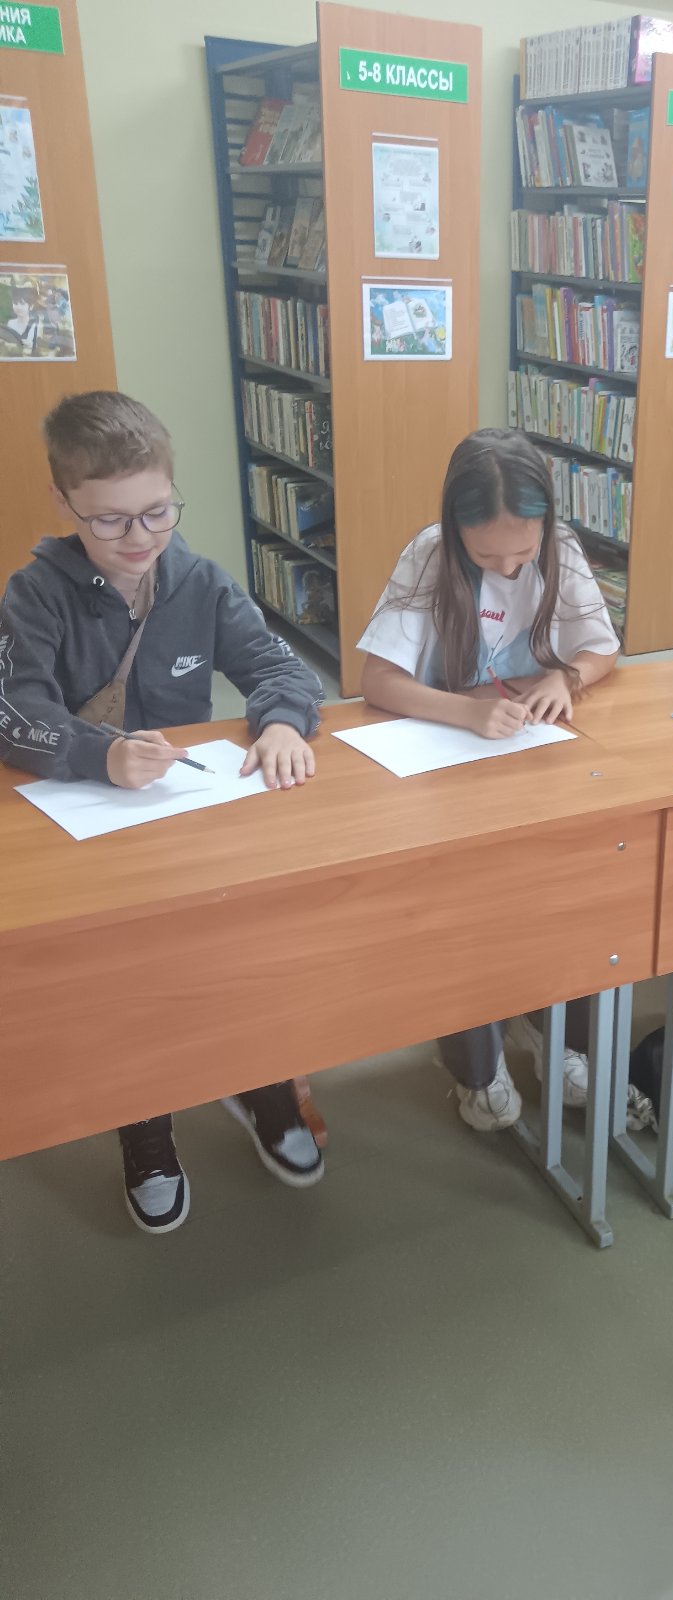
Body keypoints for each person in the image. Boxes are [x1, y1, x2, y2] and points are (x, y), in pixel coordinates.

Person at [0, 391, 327, 1233]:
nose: (139, 537)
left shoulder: (200, 581)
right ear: (64, 503)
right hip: (80, 825)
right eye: (110, 521)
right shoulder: (34, 595)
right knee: (124, 974)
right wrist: (99, 756)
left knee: (237, 942)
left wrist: (283, 721)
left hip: (187, 813)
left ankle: (255, 1074)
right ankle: (144, 1114)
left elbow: (280, 668)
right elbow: (14, 713)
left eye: (157, 512)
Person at [357, 428, 621, 1129]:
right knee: (468, 907)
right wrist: (466, 712)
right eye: (486, 557)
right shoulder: (428, 555)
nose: (507, 567)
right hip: (445, 757)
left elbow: (601, 648)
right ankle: (477, 1064)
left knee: (568, 883)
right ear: (455, 531)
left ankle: (548, 1023)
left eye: (522, 554)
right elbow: (377, 681)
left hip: (531, 755)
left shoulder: (560, 548)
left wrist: (566, 678)